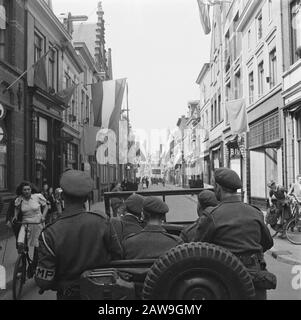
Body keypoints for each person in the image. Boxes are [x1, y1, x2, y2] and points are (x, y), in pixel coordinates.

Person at [35, 170, 123, 300]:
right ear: (87, 198)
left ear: (62, 197)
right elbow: (118, 256)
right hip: (101, 293)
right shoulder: (102, 222)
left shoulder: (49, 234)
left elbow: (44, 281)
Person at [194, 168, 275, 300]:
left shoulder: (212, 216)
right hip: (254, 276)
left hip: (224, 276)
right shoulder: (255, 212)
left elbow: (198, 248)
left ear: (218, 188)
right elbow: (267, 243)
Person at [12, 181, 48, 274]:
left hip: (37, 222)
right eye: (25, 190)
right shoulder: (19, 199)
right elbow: (16, 208)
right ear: (22, 191)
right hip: (25, 222)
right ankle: (22, 264)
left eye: (28, 189)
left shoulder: (37, 197)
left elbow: (46, 206)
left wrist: (43, 216)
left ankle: (34, 264)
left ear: (31, 190)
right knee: (21, 243)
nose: (27, 191)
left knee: (36, 245)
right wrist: (15, 216)